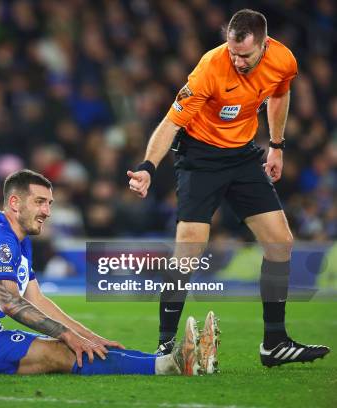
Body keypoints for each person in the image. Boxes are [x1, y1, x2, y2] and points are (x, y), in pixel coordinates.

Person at [127, 9, 330, 367]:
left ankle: (274, 343)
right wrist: (147, 166)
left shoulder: (284, 60)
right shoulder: (210, 67)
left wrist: (277, 145)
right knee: (189, 247)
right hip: (200, 158)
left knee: (280, 242)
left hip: (242, 157)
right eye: (232, 52)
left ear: (264, 45)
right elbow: (172, 122)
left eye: (245, 55)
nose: (236, 60)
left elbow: (279, 95)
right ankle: (164, 346)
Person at [0, 169, 218, 375]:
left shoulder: (19, 238)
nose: (47, 211)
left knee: (78, 346)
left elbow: (37, 299)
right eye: (39, 202)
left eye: (49, 203)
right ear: (14, 202)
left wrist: (89, 335)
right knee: (64, 352)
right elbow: (11, 303)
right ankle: (171, 364)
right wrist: (69, 337)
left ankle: (170, 360)